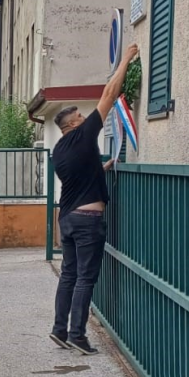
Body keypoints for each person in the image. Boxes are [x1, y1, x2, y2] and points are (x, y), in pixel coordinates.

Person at [50, 43, 139, 356]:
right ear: (73, 125)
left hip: (68, 220)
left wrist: (103, 166)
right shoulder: (84, 134)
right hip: (88, 223)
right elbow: (109, 95)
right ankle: (78, 335)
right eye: (80, 116)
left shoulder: (60, 150)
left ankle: (59, 330)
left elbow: (79, 175)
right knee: (86, 279)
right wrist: (126, 58)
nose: (86, 117)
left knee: (69, 276)